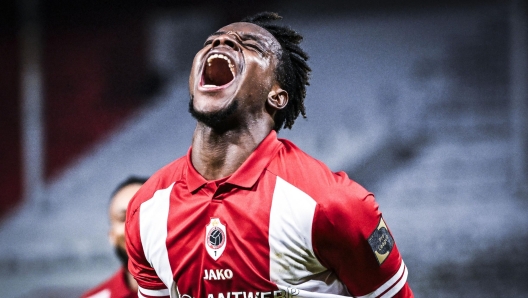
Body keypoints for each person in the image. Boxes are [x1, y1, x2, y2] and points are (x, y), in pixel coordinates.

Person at [126, 12, 413, 298]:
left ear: (277, 95)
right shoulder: (147, 209)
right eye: (211, 41)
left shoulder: (334, 206)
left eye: (250, 44)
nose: (222, 41)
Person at [82, 176, 148, 298]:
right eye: (123, 217)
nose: (134, 226)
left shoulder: (193, 289)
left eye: (144, 213)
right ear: (112, 236)